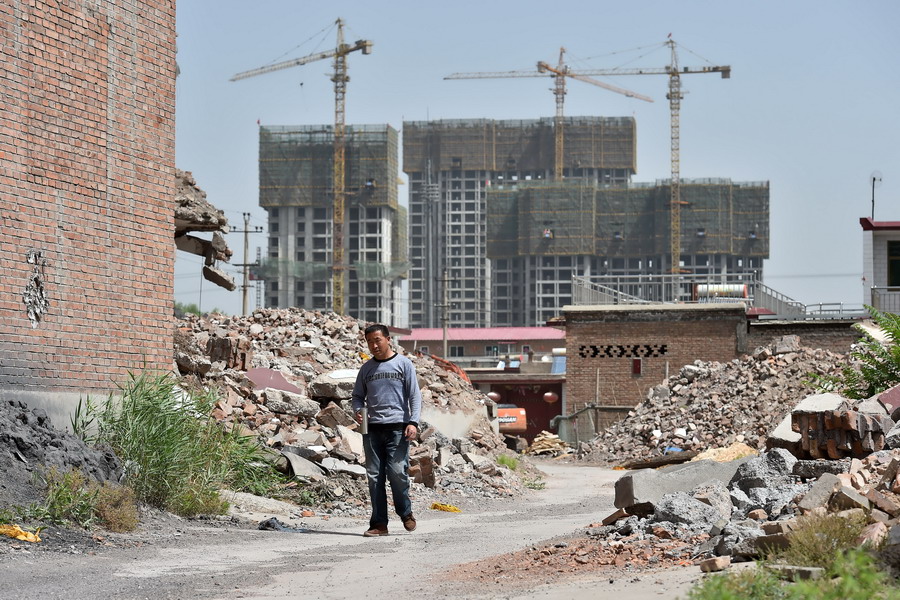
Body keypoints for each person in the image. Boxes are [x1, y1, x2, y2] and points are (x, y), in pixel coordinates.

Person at [352, 324, 422, 537]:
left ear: (388, 339)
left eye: (377, 340)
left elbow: (414, 396)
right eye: (369, 342)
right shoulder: (366, 369)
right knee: (374, 476)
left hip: (397, 429)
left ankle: (405, 512)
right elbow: (357, 396)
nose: (374, 345)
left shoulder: (403, 364)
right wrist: (358, 410)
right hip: (372, 430)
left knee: (397, 472)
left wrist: (413, 422)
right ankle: (379, 524)